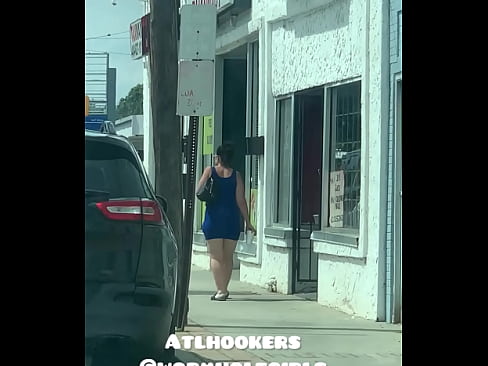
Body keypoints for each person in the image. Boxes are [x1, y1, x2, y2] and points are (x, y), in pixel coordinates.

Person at [196, 143, 256, 301]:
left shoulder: (209, 171)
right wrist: (248, 222)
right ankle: (225, 288)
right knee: (228, 257)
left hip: (213, 218)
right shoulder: (236, 175)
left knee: (216, 256)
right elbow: (241, 200)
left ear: (219, 157)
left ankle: (220, 290)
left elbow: (198, 190)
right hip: (231, 219)